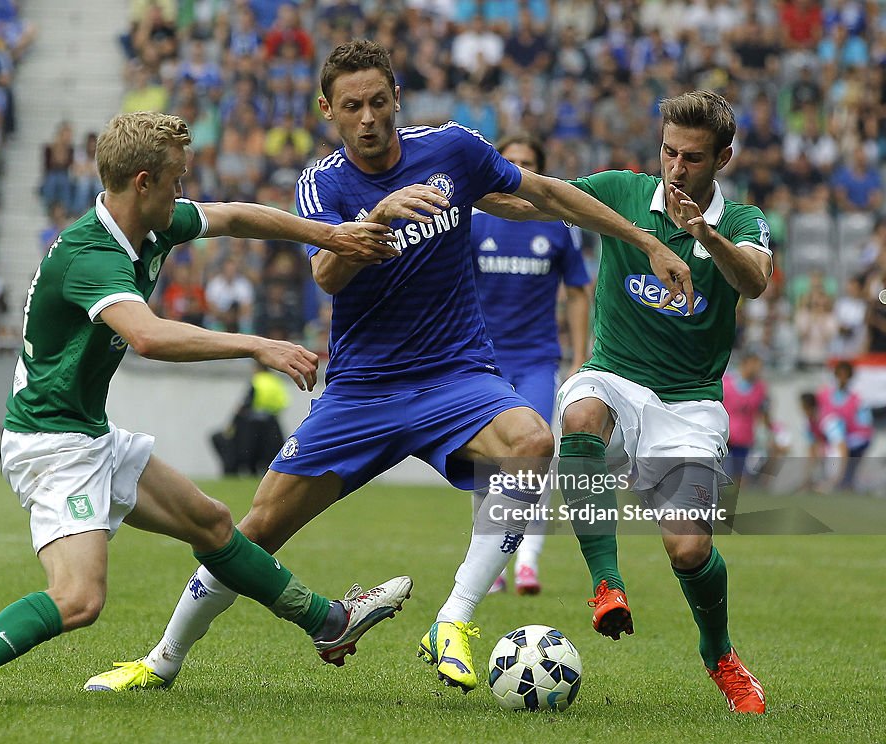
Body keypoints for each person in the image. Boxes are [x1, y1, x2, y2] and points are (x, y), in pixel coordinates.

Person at [84, 40, 691, 696]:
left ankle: (453, 620)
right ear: (328, 110)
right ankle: (163, 661)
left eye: (379, 102)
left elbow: (539, 193)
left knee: (533, 442)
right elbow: (329, 276)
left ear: (397, 98)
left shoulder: (452, 149)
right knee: (254, 530)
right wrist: (375, 216)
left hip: (456, 378)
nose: (368, 117)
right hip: (362, 393)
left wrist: (646, 238)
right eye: (352, 107)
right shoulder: (324, 182)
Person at [0, 111, 411, 707]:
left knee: (212, 523)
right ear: (142, 182)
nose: (184, 192)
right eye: (176, 181)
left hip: (87, 433)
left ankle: (329, 623)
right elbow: (149, 338)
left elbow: (235, 215)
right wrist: (256, 344)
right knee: (78, 599)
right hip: (52, 446)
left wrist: (330, 236)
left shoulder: (153, 226)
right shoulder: (91, 254)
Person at [485, 90, 770, 713]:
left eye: (692, 157)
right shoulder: (621, 191)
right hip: (613, 374)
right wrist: (460, 186)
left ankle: (719, 653)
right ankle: (606, 585)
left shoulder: (744, 221)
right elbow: (546, 198)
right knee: (579, 416)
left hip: (689, 402)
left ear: (722, 157)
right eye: (668, 151)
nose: (675, 168)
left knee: (689, 548)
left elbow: (753, 280)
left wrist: (706, 237)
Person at [469, 134, 591, 596]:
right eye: (510, 161)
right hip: (484, 362)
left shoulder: (556, 226)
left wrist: (580, 357)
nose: (516, 169)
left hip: (538, 360)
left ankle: (527, 564)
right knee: (489, 463)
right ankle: (492, 564)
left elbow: (579, 292)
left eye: (526, 163)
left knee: (537, 457)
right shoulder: (476, 225)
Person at [815, 360, 874, 491]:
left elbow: (865, 425)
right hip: (830, 437)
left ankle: (836, 481)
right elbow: (819, 417)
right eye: (840, 374)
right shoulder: (824, 394)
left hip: (851, 438)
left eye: (845, 375)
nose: (842, 378)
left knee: (840, 446)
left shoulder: (857, 398)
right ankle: (833, 480)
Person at [721, 351, 770, 486]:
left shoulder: (760, 388)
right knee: (721, 474)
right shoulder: (726, 384)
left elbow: (764, 412)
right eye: (755, 365)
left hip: (745, 438)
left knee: (741, 476)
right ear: (745, 364)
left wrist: (766, 434)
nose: (757, 369)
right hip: (726, 438)